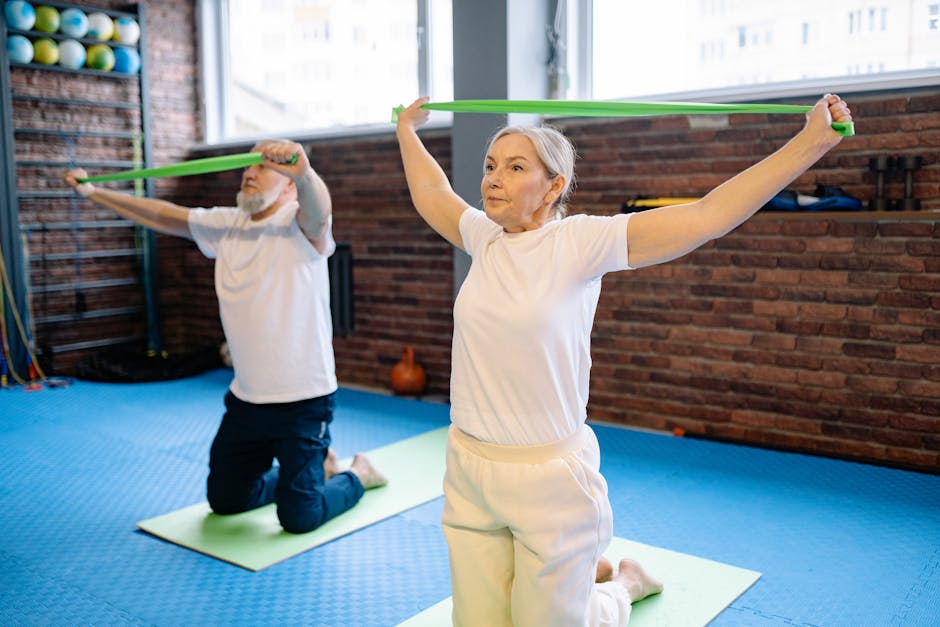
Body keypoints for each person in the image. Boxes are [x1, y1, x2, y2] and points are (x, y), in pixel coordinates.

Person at [395, 93, 852, 626]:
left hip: (548, 479)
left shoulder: (579, 243)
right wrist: (408, 129)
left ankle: (623, 587)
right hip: (468, 467)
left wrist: (812, 140)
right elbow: (432, 191)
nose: (493, 178)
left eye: (516, 167)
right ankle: (580, 579)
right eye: (491, 166)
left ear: (554, 186)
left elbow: (708, 216)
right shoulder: (484, 238)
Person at [64, 139, 387, 534]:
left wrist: (303, 173)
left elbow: (320, 211)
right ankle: (309, 472)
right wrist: (95, 192)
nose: (250, 173)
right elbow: (164, 214)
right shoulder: (227, 224)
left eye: (263, 167)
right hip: (247, 402)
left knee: (299, 518)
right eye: (247, 167)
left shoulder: (300, 226)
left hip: (304, 403)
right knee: (227, 500)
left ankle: (357, 474)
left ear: (288, 186)